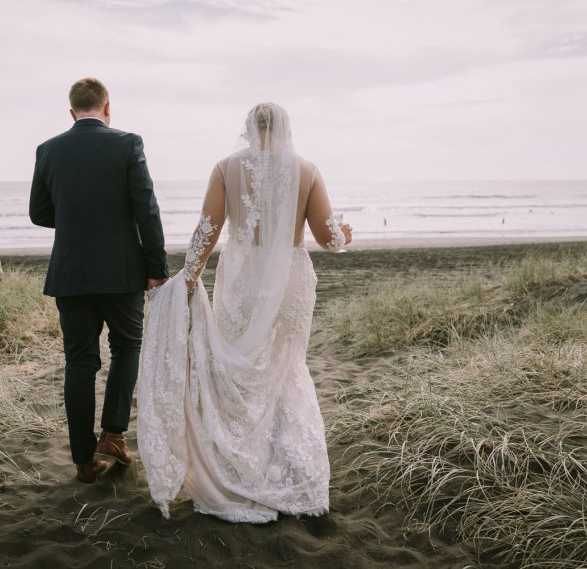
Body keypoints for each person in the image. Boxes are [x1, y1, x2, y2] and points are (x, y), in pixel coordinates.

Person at [138, 102, 352, 523]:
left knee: (240, 370)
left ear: (249, 129)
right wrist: (347, 233)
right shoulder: (306, 170)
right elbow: (328, 238)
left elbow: (207, 228)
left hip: (241, 279)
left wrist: (187, 279)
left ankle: (240, 465)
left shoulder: (225, 168)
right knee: (285, 369)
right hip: (291, 279)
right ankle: (290, 469)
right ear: (286, 129)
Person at [29, 78, 169, 484]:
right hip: (122, 272)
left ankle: (82, 461)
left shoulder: (48, 149)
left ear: (71, 112)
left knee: (80, 362)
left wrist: (76, 219)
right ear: (108, 108)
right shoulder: (128, 144)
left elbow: (39, 212)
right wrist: (157, 267)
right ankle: (113, 434)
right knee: (127, 348)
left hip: (71, 272)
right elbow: (148, 209)